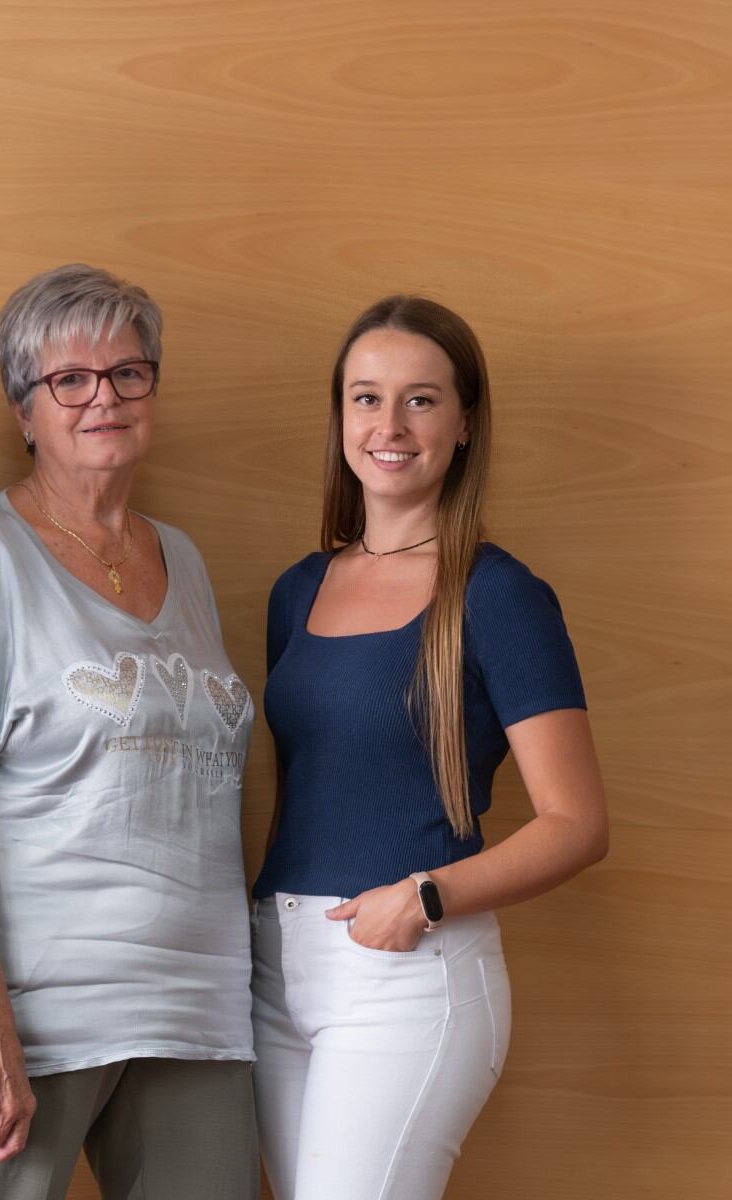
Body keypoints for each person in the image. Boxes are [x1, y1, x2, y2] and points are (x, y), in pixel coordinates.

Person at [0, 263, 259, 1200]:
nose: (105, 398)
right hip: (31, 1016)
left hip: (194, 1009)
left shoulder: (187, 559)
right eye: (71, 381)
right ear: (24, 410)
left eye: (129, 373)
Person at [249, 296, 609, 1199]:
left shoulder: (498, 595)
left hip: (406, 972)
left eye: (422, 399)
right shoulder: (297, 590)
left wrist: (424, 897)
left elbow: (577, 824)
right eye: (366, 398)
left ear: (464, 423)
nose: (390, 425)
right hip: (275, 969)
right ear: (339, 417)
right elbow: (307, 790)